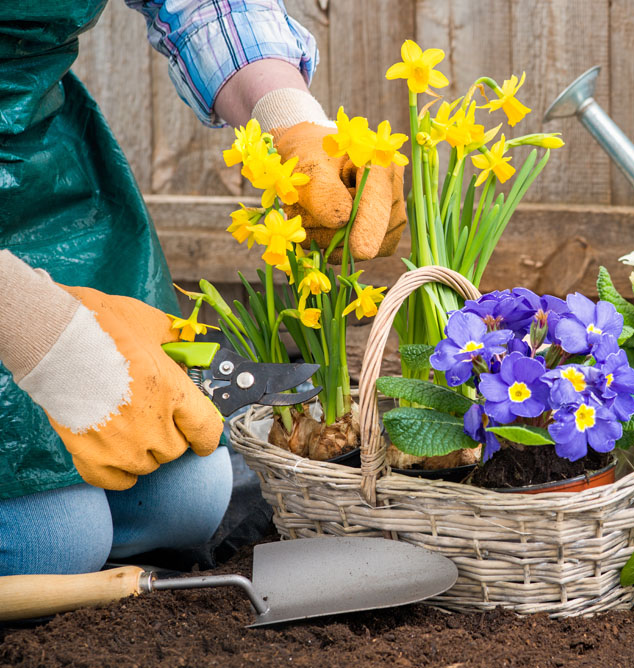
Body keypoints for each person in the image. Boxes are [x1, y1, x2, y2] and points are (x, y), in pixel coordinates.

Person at [0, 1, 405, 577]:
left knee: (186, 499)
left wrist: (289, 120)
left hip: (41, 169)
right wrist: (29, 324)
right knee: (57, 544)